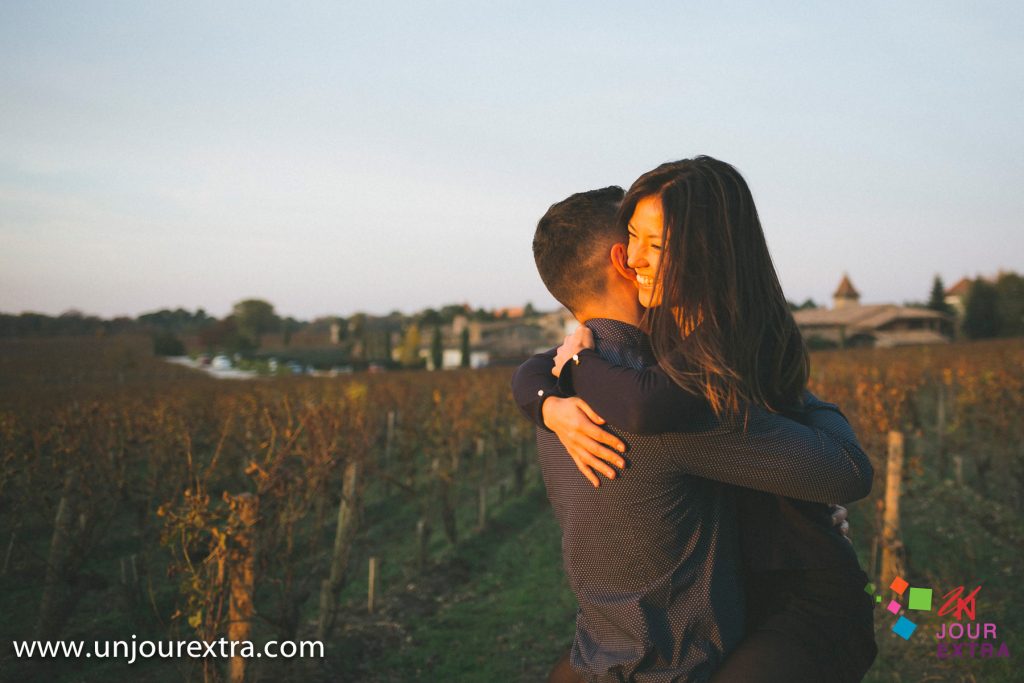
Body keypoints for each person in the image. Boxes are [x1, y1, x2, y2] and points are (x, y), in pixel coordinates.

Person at [511, 167, 876, 682]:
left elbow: (843, 473)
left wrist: (552, 392)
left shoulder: (630, 377)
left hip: (792, 591)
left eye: (654, 242)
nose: (638, 256)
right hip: (736, 604)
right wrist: (548, 396)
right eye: (632, 237)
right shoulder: (632, 380)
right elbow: (846, 472)